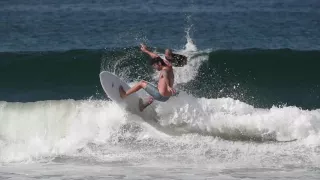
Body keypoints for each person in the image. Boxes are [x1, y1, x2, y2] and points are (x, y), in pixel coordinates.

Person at [119, 44, 176, 111]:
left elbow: (165, 74)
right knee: (155, 88)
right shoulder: (169, 67)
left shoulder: (164, 70)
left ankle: (124, 94)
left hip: (160, 95)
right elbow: (156, 57)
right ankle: (143, 106)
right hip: (166, 98)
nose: (155, 68)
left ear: (159, 64)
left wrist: (168, 86)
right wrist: (146, 50)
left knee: (141, 83)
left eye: (155, 66)